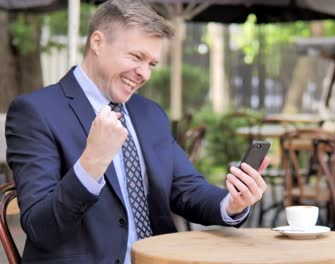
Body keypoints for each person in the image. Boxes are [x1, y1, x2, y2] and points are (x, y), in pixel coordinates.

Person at [5, 0, 269, 263]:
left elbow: (186, 189)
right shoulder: (35, 112)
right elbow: (41, 227)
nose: (144, 73)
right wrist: (92, 161)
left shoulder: (150, 113)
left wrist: (232, 203)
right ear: (97, 42)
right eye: (136, 57)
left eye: (152, 64)